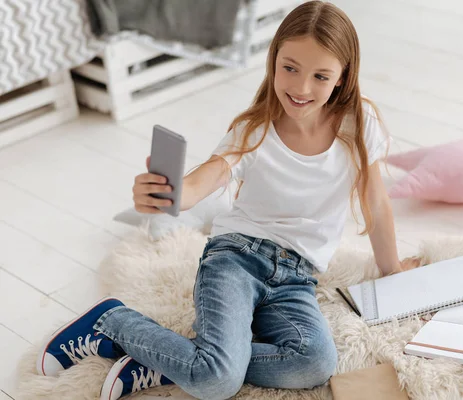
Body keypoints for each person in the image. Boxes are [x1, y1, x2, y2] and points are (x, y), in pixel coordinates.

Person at [36, 2, 419, 399]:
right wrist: (172, 194)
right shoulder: (252, 129)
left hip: (297, 277)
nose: (302, 88)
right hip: (235, 258)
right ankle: (110, 322)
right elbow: (210, 175)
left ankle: (173, 359)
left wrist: (391, 270)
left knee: (315, 364)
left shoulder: (359, 124)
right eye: (290, 68)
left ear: (342, 78)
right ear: (273, 62)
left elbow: (376, 202)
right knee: (218, 380)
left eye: (320, 76)